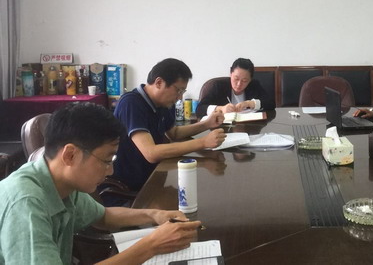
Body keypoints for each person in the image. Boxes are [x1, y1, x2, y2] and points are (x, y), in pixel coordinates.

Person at [0, 103, 201, 265]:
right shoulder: (25, 204)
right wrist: (151, 246)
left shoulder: (62, 183)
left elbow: (103, 216)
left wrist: (154, 214)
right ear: (70, 155)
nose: (110, 171)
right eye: (106, 160)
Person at [110, 58, 226, 196]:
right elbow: (151, 153)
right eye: (178, 90)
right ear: (159, 83)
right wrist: (203, 142)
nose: (180, 97)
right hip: (127, 188)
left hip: (153, 178)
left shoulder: (163, 103)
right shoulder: (131, 103)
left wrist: (206, 124)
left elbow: (174, 133)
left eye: (183, 91)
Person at [197, 58, 275, 117]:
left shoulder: (254, 85)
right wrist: (221, 108)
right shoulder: (218, 86)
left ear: (250, 80)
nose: (239, 84)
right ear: (230, 74)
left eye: (244, 81)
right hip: (223, 129)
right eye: (236, 79)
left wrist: (250, 103)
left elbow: (271, 104)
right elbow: (200, 109)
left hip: (249, 127)